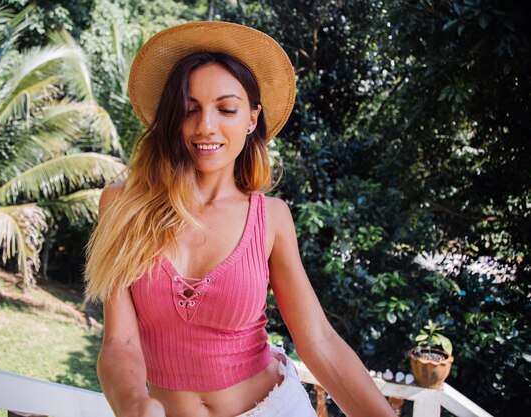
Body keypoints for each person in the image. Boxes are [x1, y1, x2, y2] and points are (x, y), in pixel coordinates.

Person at [84, 21, 397, 417]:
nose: (205, 127)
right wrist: (135, 405)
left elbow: (318, 341)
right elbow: (120, 344)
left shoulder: (271, 218)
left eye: (227, 109)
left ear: (252, 119)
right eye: (189, 109)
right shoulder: (122, 205)